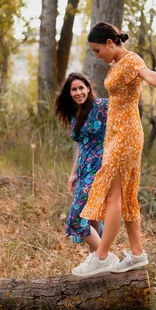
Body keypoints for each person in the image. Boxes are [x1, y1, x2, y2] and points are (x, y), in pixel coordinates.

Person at [71, 22, 156, 277]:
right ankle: (137, 253)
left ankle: (101, 256)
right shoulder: (115, 65)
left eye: (97, 49)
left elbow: (149, 74)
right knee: (125, 196)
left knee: (113, 196)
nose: (96, 55)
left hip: (126, 135)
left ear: (110, 43)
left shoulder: (132, 60)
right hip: (116, 136)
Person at [54, 72, 110, 254]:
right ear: (69, 93)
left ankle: (105, 256)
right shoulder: (74, 114)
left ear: (88, 88)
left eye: (81, 88)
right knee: (92, 215)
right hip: (84, 169)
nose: (78, 92)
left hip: (99, 168)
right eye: (74, 89)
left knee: (77, 218)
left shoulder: (101, 106)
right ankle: (98, 260)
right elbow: (81, 146)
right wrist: (73, 173)